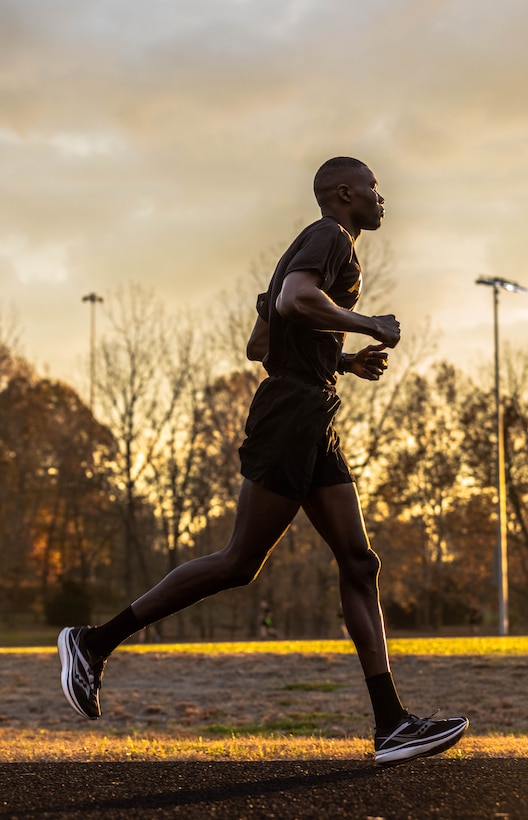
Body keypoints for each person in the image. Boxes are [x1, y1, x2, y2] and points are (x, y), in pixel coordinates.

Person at [58, 156, 468, 766]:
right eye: (375, 191)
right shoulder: (330, 237)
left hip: (310, 409)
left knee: (359, 562)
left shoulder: (309, 246)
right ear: (344, 192)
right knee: (238, 561)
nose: (383, 201)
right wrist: (367, 324)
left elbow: (261, 342)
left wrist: (343, 361)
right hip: (292, 415)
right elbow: (298, 301)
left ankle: (391, 725)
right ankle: (93, 643)